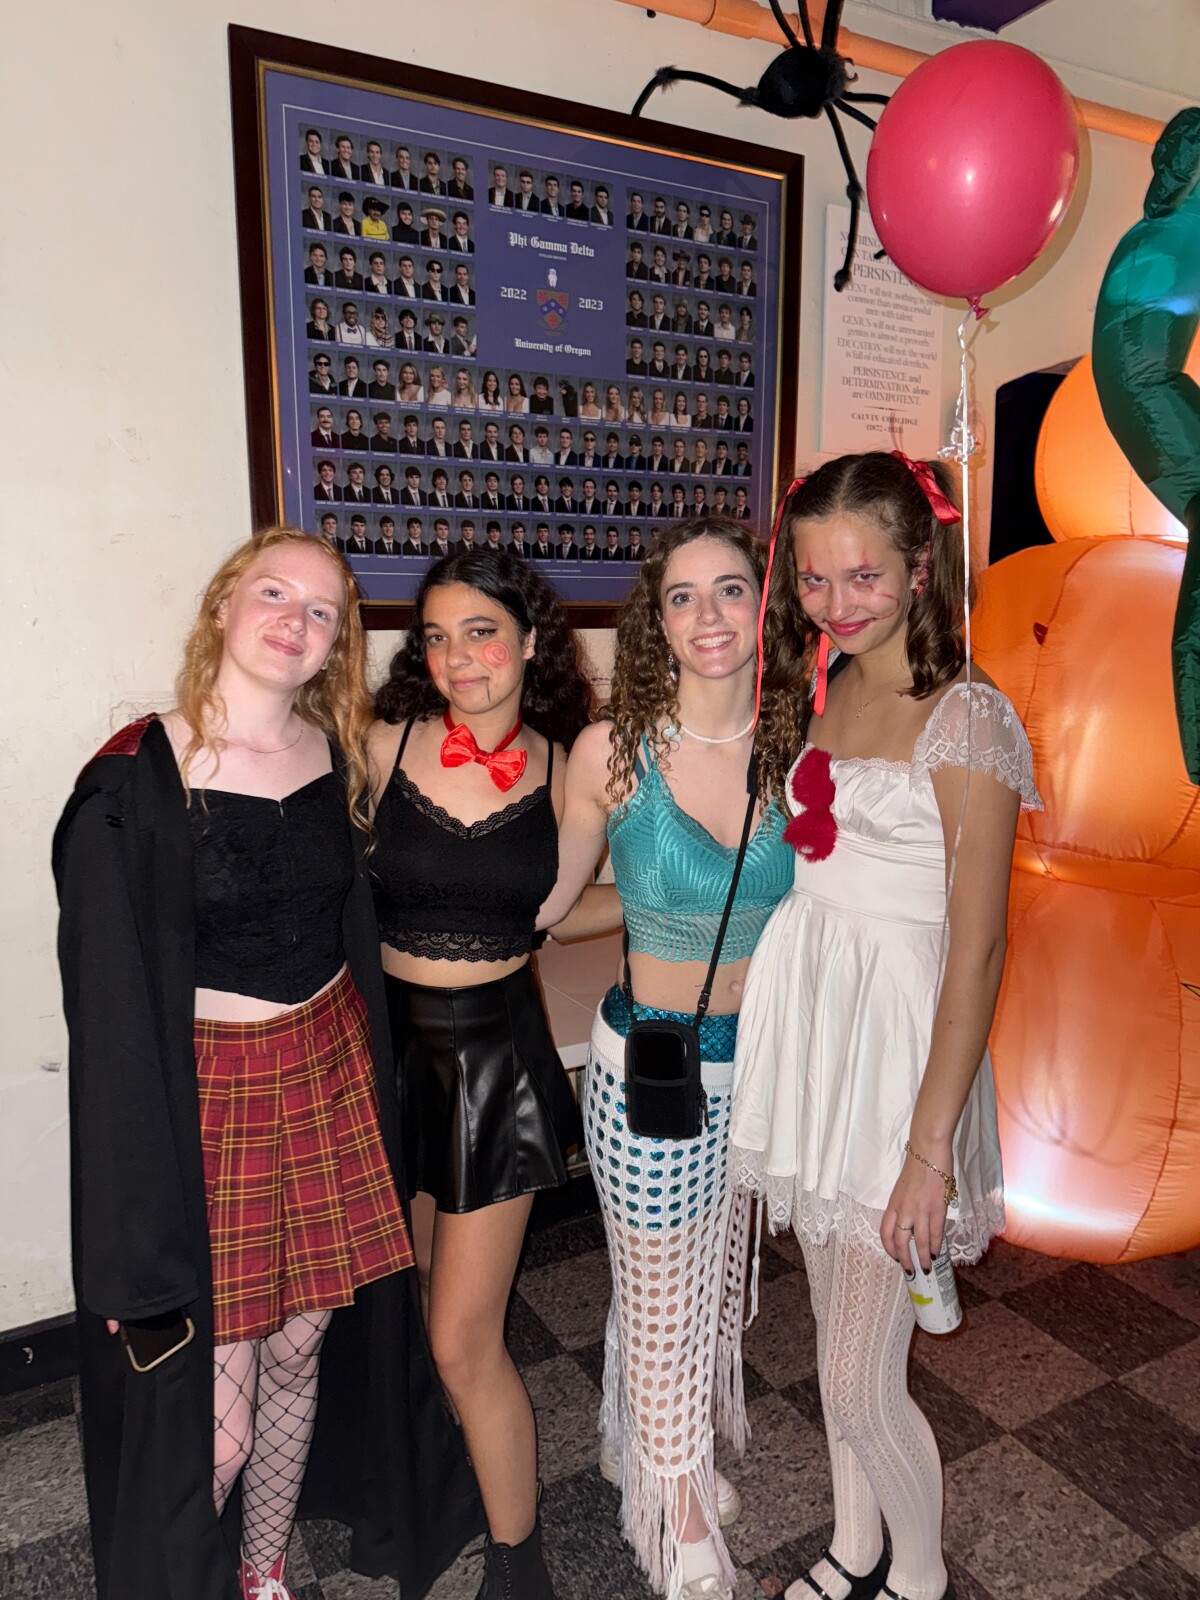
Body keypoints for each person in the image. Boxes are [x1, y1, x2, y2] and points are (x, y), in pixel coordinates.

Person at [54, 527, 482, 1600]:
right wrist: (124, 1237)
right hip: (210, 1102)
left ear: (338, 642)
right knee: (219, 1426)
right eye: (274, 594)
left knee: (299, 1350)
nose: (295, 621)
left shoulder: (337, 756)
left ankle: (263, 1570)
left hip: (326, 1074)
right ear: (222, 607)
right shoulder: (135, 779)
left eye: (323, 610)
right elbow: (107, 1022)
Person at [730, 452, 1040, 1600]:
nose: (836, 602)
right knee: (835, 1339)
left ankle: (917, 1576)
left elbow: (979, 948)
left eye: (862, 575)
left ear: (919, 566)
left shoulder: (970, 718)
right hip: (820, 1030)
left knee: (863, 1381)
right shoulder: (828, 681)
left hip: (898, 1055)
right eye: (814, 578)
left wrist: (927, 1153)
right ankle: (852, 1549)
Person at [536, 520, 793, 1600]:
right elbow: (554, 902)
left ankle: (630, 1437)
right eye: (682, 597)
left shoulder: (804, 746)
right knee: (660, 1294)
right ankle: (673, 1515)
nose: (709, 616)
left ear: (764, 606)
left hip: (765, 1064)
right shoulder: (615, 750)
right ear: (657, 622)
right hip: (650, 1063)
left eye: (730, 589)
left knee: (711, 1286)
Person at [368, 551, 603, 1599]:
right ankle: (443, 1485)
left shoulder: (570, 766)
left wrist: (682, 925)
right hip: (391, 1053)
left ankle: (520, 1564)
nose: (458, 658)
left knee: (465, 1337)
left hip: (496, 1058)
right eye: (436, 637)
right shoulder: (382, 743)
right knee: (421, 1294)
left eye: (481, 631)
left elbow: (566, 904)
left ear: (530, 639)